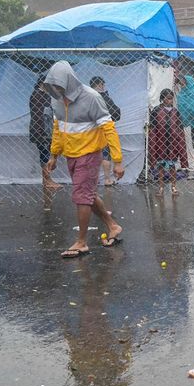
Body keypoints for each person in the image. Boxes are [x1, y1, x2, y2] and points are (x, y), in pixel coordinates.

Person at [43, 61, 124, 258]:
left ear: (69, 82)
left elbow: (108, 128)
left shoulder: (92, 98)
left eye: (59, 85)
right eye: (52, 86)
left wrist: (117, 160)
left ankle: (81, 242)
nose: (56, 90)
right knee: (87, 194)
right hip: (71, 155)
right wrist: (54, 155)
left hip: (89, 155)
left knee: (81, 195)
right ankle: (113, 226)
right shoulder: (57, 101)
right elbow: (58, 129)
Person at [148, 88, 189, 197]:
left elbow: (180, 130)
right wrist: (153, 145)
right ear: (162, 99)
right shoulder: (156, 111)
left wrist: (180, 145)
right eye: (168, 98)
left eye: (171, 99)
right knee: (161, 166)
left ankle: (174, 187)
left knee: (172, 166)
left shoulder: (176, 112)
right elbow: (152, 130)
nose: (170, 101)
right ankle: (161, 187)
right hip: (160, 143)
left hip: (172, 144)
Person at [29, 75, 62, 189]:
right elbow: (39, 116)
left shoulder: (42, 95)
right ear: (42, 84)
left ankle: (47, 179)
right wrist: (42, 132)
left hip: (44, 130)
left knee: (46, 153)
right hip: (42, 131)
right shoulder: (38, 95)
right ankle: (47, 180)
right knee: (45, 154)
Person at [88, 76, 122, 186]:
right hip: (104, 129)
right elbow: (116, 112)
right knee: (105, 154)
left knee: (92, 155)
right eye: (103, 84)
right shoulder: (104, 97)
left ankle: (93, 179)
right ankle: (107, 179)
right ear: (100, 84)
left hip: (90, 130)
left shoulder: (87, 97)